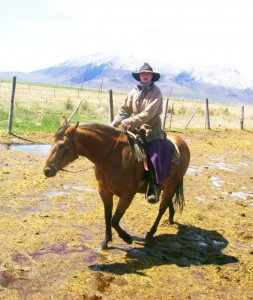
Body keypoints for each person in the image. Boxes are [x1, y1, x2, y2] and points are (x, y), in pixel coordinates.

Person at [111, 62, 172, 204]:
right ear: (140, 76)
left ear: (152, 76)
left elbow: (148, 113)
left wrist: (130, 121)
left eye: (147, 74)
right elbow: (125, 109)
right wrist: (116, 120)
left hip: (151, 129)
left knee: (154, 157)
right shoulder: (133, 92)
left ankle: (154, 187)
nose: (145, 76)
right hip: (133, 128)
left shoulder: (156, 92)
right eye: (143, 74)